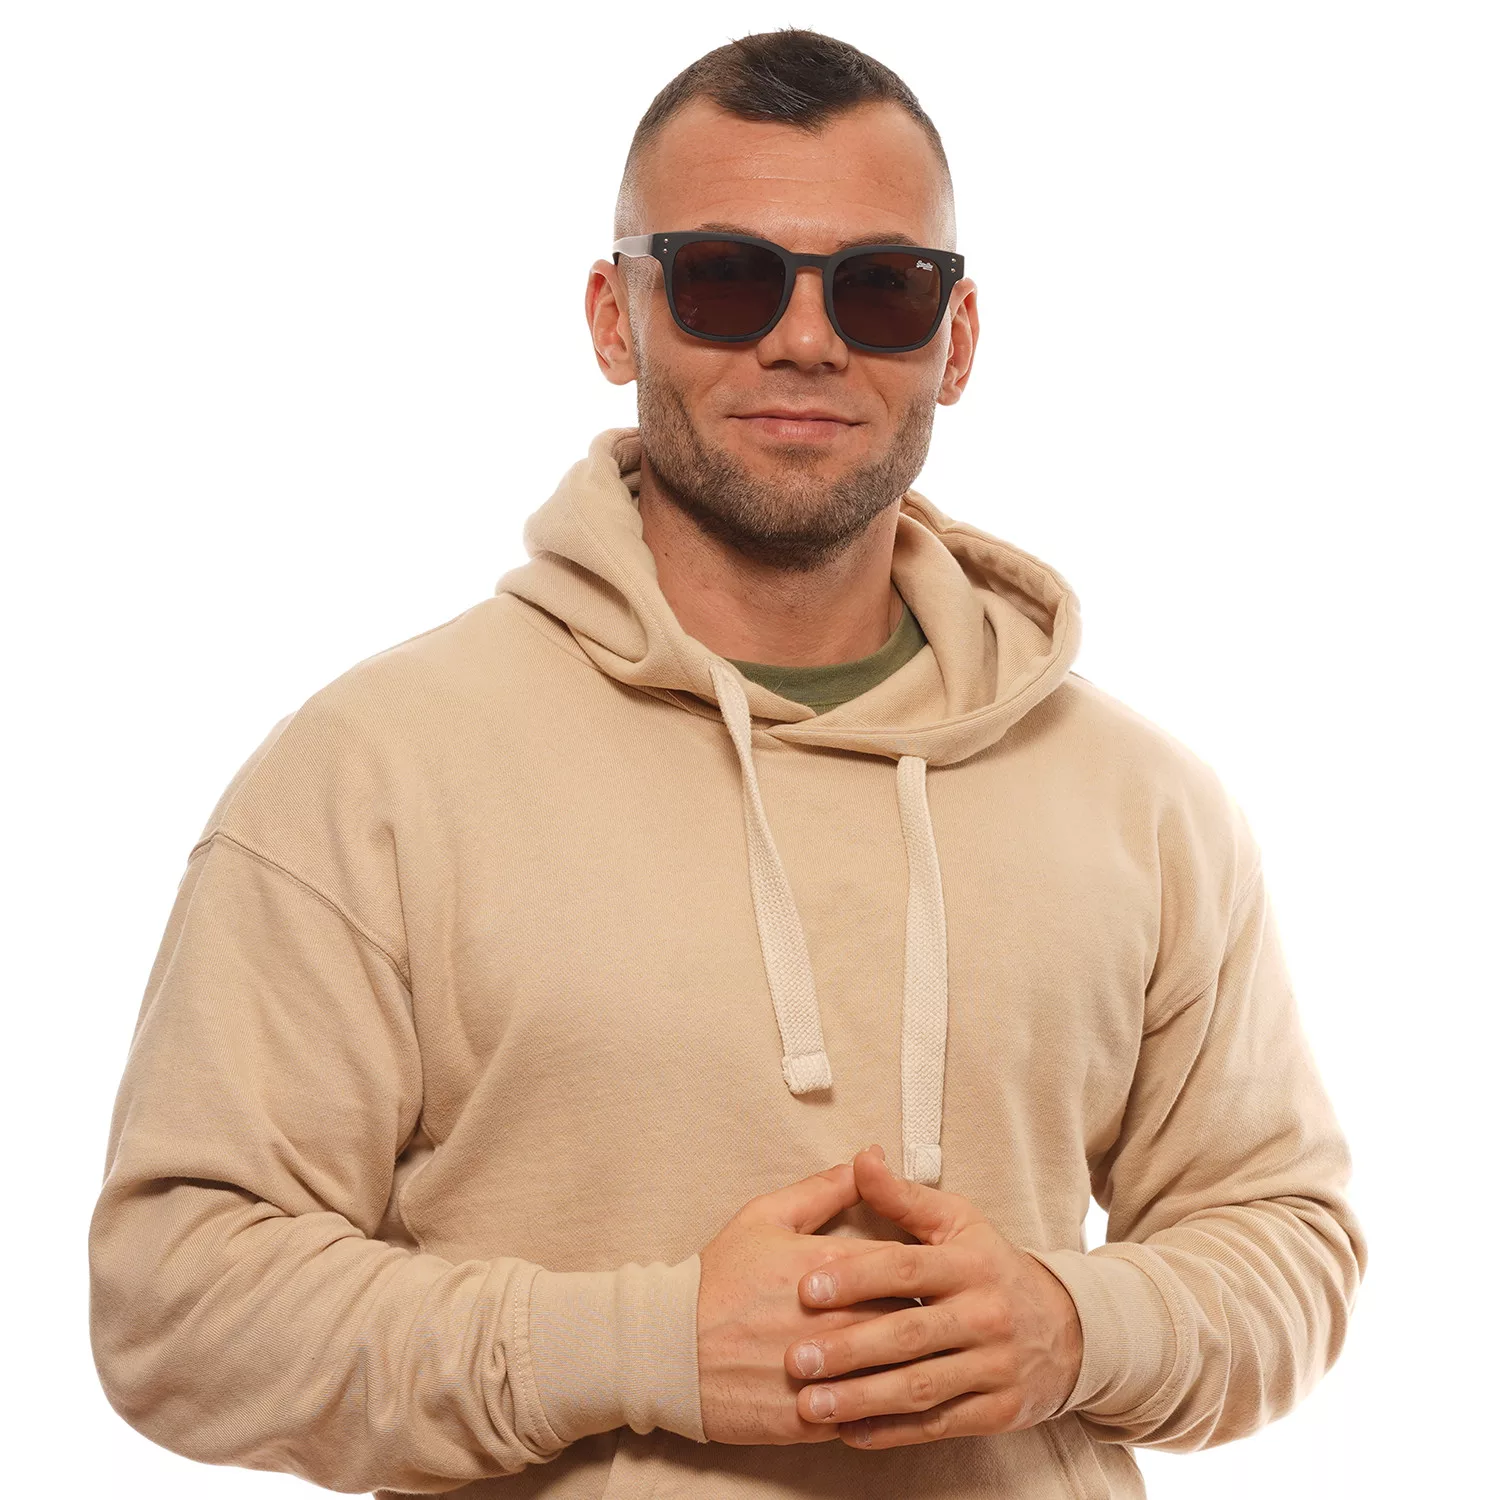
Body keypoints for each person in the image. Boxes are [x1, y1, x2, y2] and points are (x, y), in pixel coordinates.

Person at [88, 26, 1366, 1500]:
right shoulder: (371, 772)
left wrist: (1073, 1328)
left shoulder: (1143, 802)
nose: (805, 340)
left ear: (955, 340)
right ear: (616, 317)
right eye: (724, 276)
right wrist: (644, 1347)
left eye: (880, 287)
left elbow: (1288, 1243)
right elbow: (175, 1303)